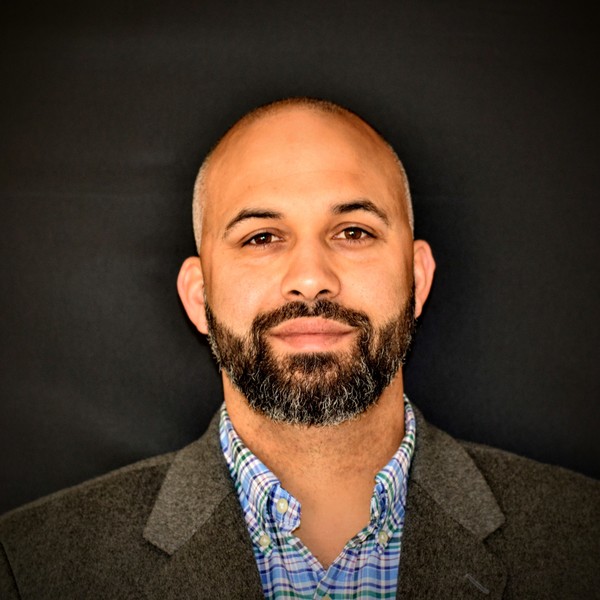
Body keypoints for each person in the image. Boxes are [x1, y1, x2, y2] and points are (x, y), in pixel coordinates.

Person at [0, 98, 598, 599]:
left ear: (417, 280)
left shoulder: (583, 537)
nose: (311, 279)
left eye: (353, 232)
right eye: (262, 237)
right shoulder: (29, 566)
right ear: (199, 297)